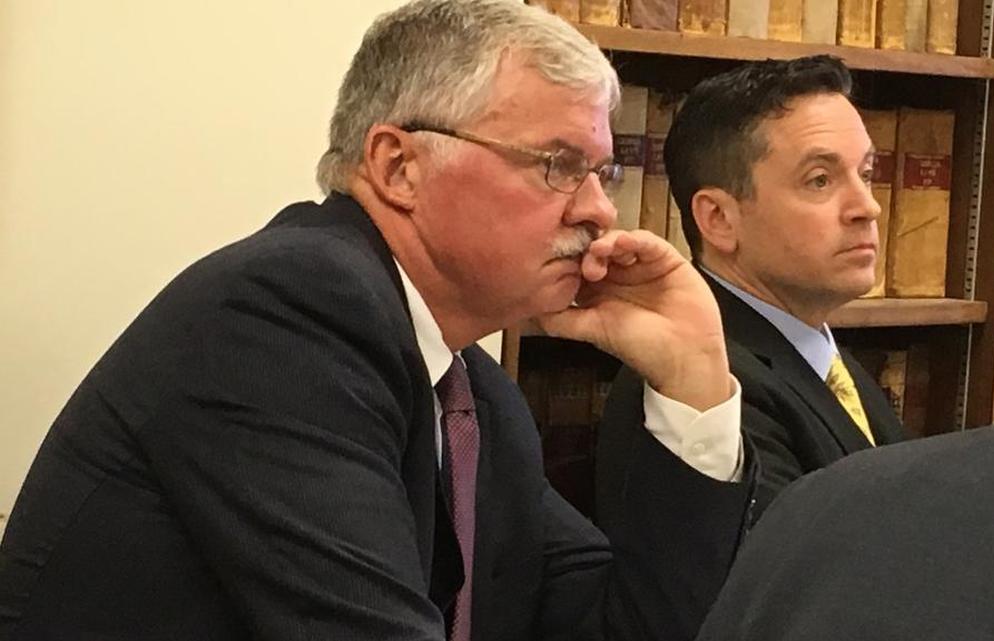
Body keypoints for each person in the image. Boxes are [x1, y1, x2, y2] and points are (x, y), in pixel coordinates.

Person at [0, 2, 757, 640]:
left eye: (602, 172)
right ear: (400, 168)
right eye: (557, 164)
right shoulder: (283, 314)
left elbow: (620, 628)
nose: (596, 210)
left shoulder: (475, 396)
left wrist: (694, 383)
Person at [599, 56, 906, 531]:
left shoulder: (826, 360)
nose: (868, 206)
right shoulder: (699, 387)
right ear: (719, 219)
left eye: (864, 174)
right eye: (820, 180)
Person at [697, 371, 994, 640]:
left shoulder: (839, 495)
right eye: (815, 206)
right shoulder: (833, 502)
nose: (865, 210)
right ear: (717, 216)